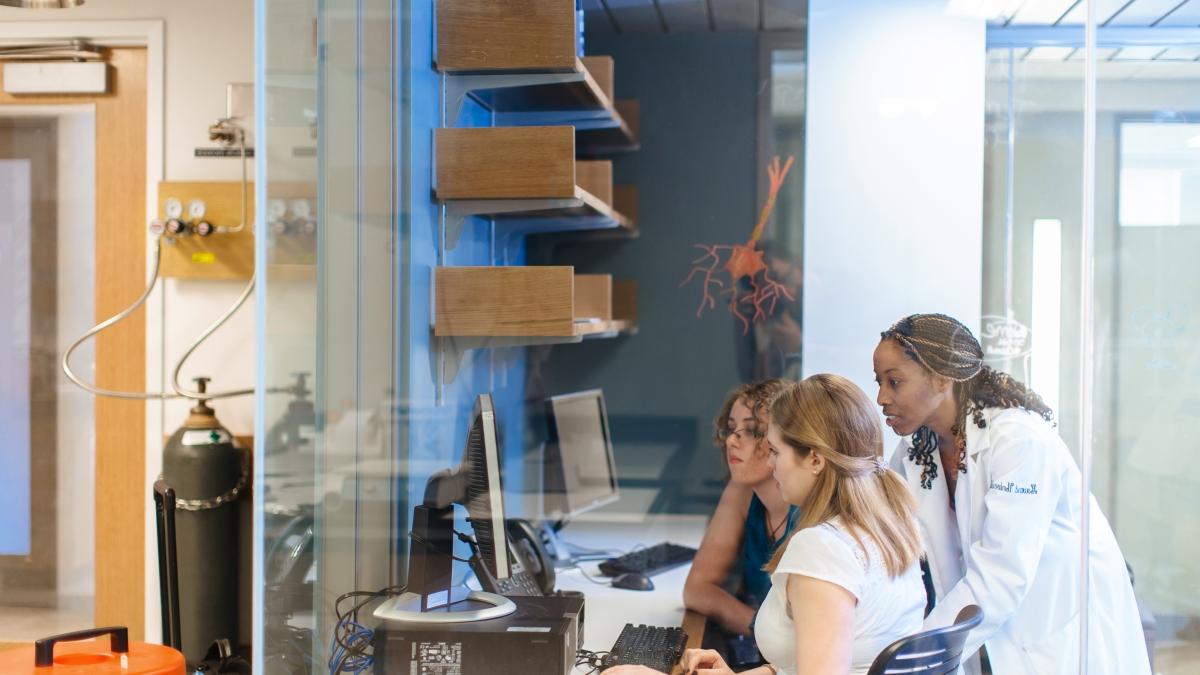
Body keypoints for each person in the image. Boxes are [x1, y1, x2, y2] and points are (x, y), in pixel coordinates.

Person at [874, 313, 1151, 674]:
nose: (881, 398)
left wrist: (920, 655)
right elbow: (886, 527)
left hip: (1056, 629)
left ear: (942, 378)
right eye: (879, 382)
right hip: (991, 631)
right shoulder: (917, 448)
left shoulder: (1017, 440)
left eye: (895, 382)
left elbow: (1002, 573)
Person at [605, 375, 927, 675]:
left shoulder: (822, 548)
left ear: (815, 460)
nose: (771, 462)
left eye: (775, 451)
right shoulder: (887, 523)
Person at [684, 380, 797, 662]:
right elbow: (696, 590)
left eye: (750, 430)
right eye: (731, 428)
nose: (732, 440)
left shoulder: (809, 511)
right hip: (775, 654)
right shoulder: (742, 492)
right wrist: (758, 625)